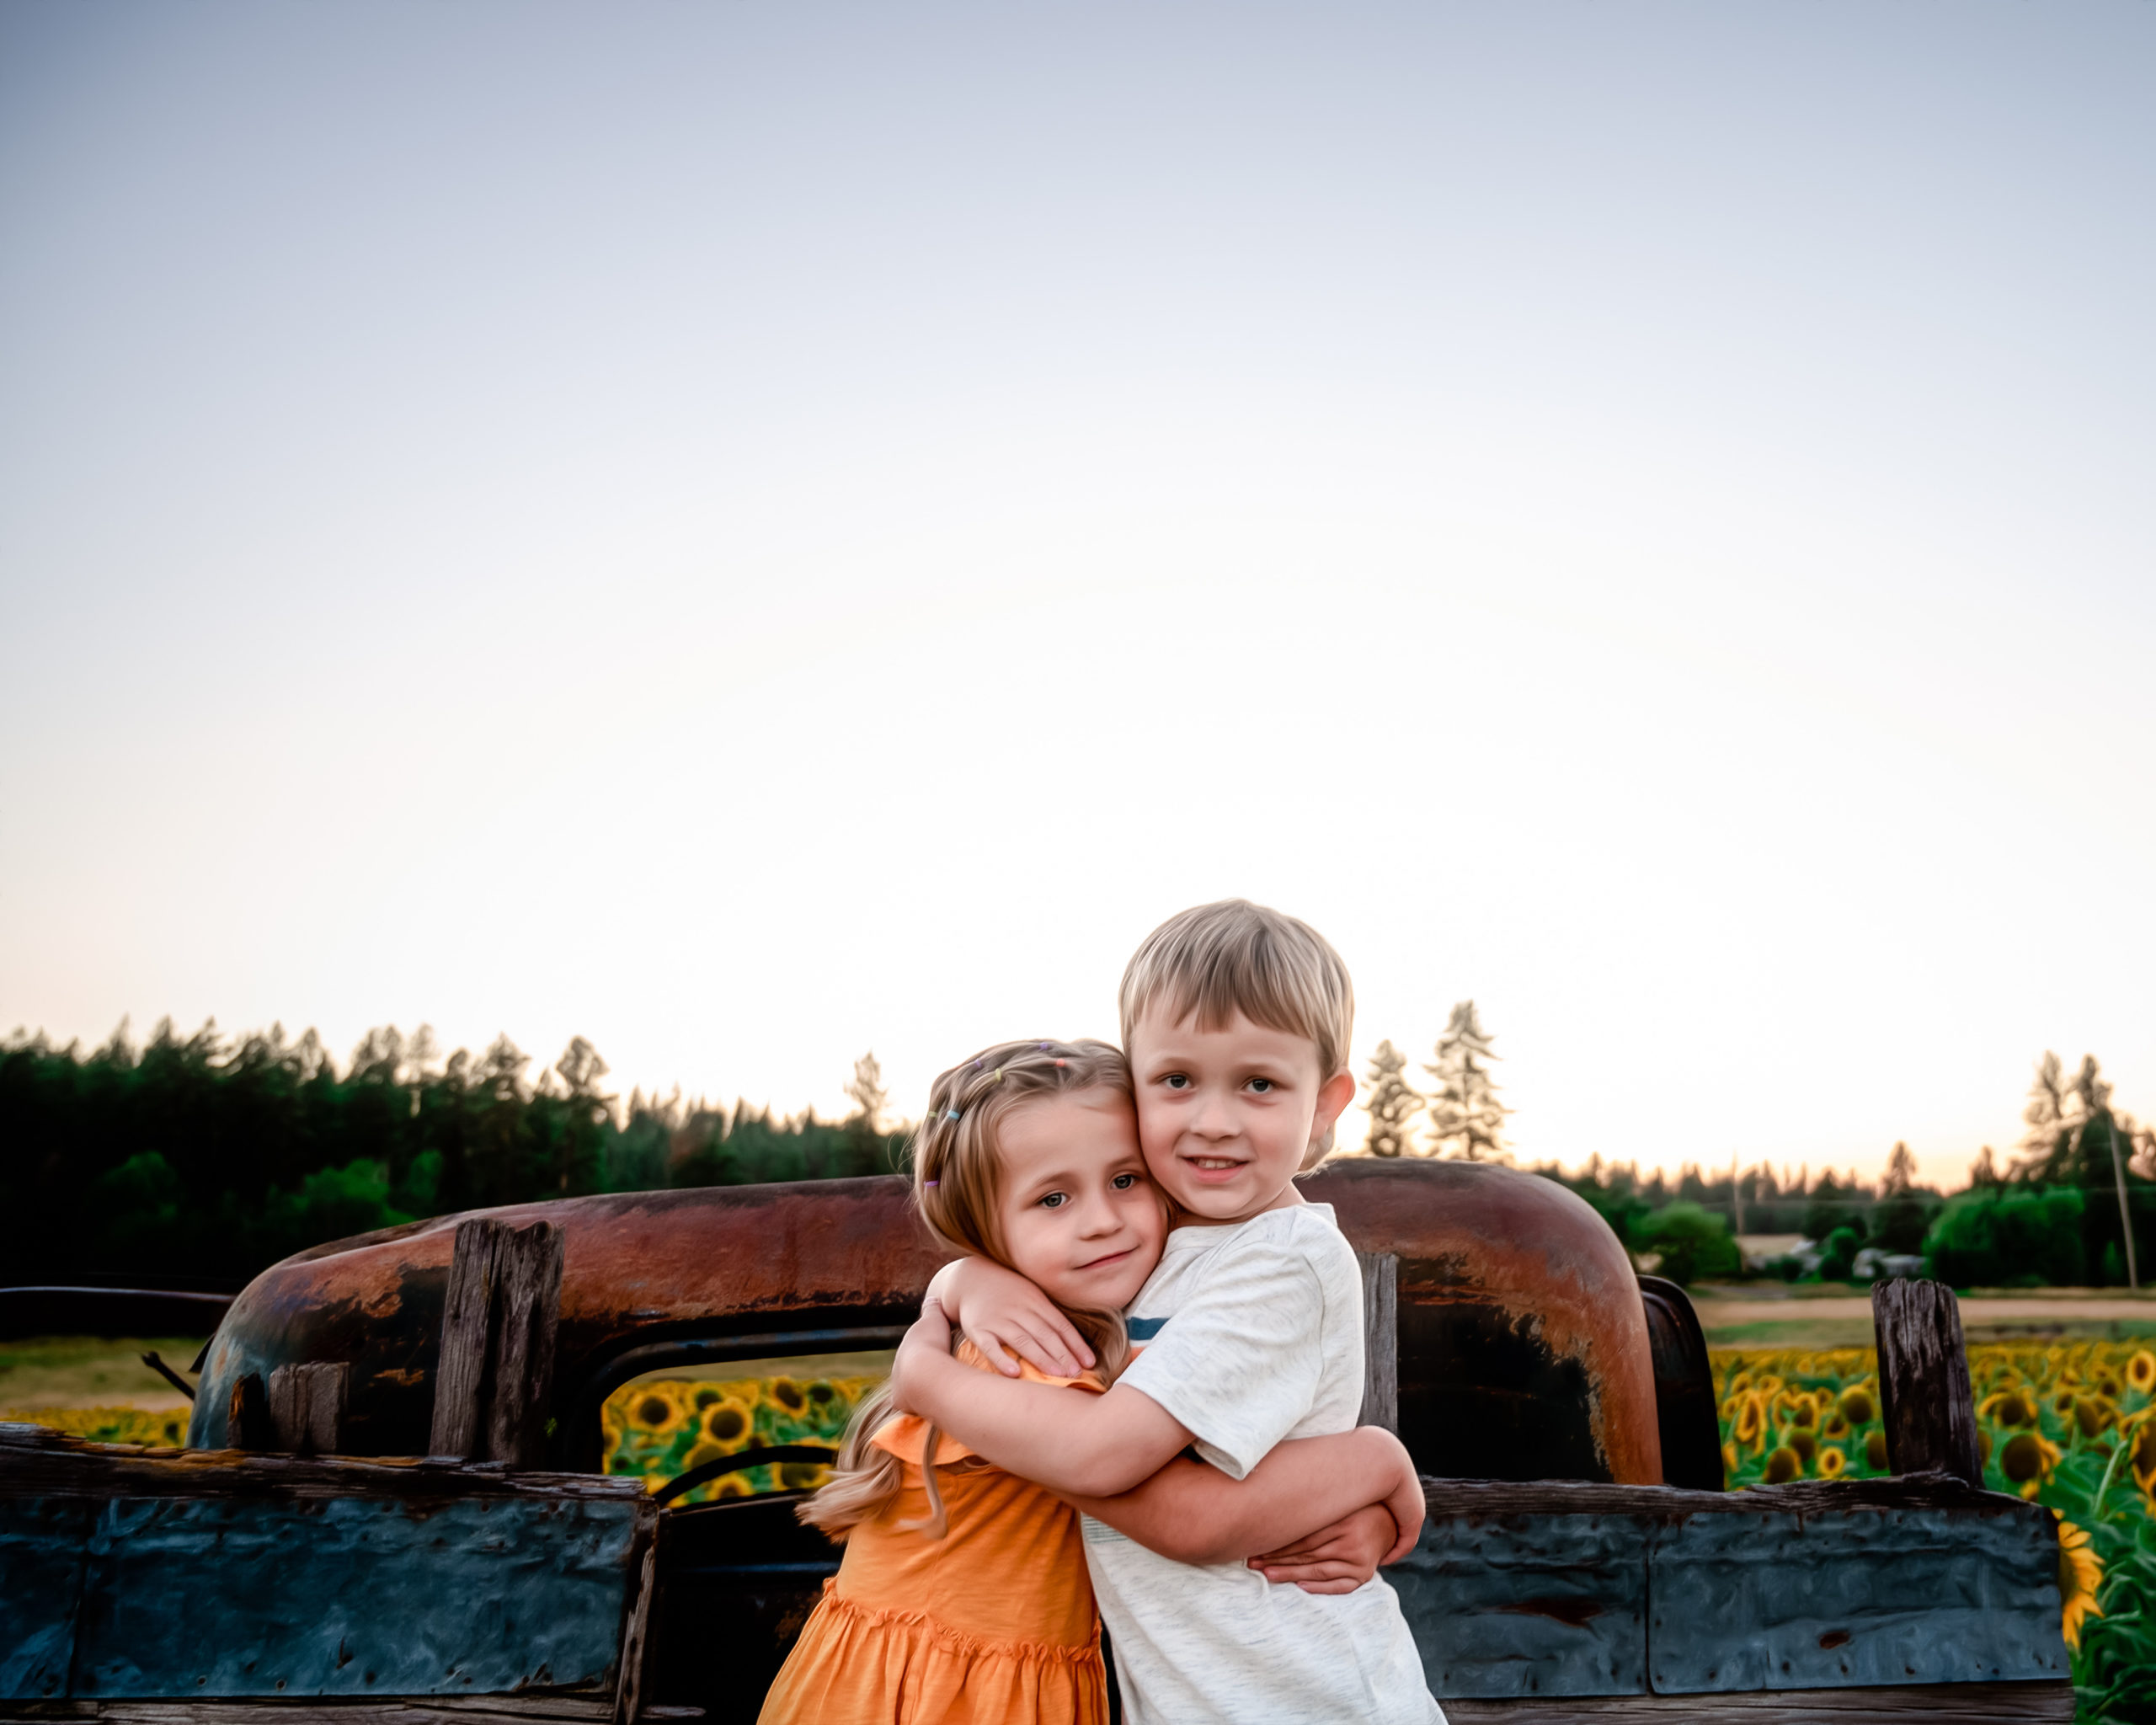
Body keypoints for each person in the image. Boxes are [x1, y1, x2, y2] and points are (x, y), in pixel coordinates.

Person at [758, 1035, 1427, 1725]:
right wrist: (1378, 1462)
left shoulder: (1105, 1321)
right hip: (942, 1697)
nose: (1102, 1222)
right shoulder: (1027, 1356)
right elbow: (1185, 1513)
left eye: (1125, 1180)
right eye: (1053, 1199)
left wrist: (960, 1280)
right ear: (984, 1229)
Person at [892, 903, 1446, 1723]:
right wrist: (966, 1279)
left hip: (1307, 1695)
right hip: (1196, 1691)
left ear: (1324, 1102)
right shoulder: (1148, 1232)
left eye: (1258, 1083)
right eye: (1177, 1079)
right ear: (1134, 1084)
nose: (1212, 1120)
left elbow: (1113, 1462)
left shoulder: (1279, 1260)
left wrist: (925, 1377)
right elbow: (1038, 1246)